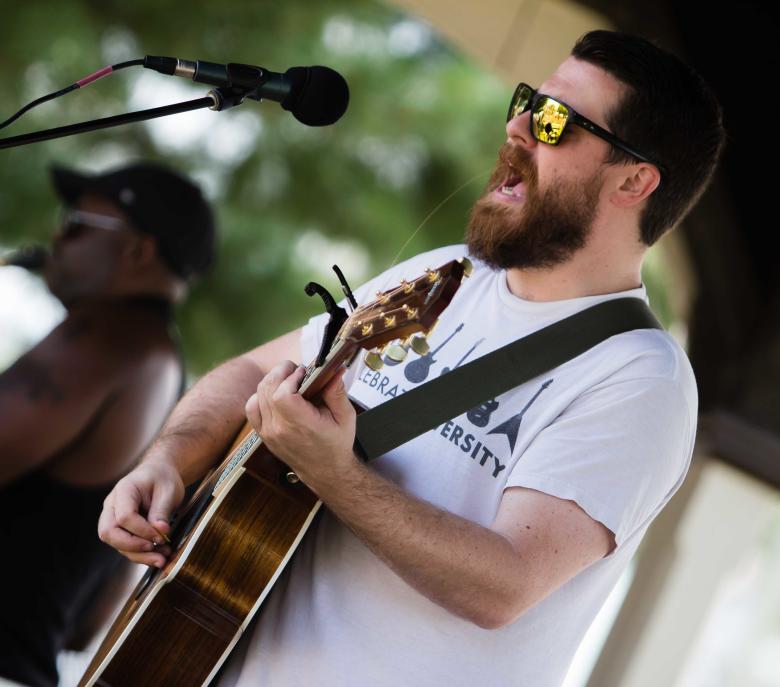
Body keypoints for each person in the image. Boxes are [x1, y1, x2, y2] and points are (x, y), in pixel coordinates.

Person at [98, 29, 725, 687]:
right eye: (527, 102)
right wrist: (168, 461)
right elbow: (255, 372)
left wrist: (334, 471)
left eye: (555, 119)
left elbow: (505, 584)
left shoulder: (638, 377)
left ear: (634, 179)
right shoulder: (448, 273)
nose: (516, 126)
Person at [0, 162, 216, 687]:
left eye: (77, 224)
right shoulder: (161, 371)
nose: (57, 237)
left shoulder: (113, 338)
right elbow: (86, 625)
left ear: (138, 250)